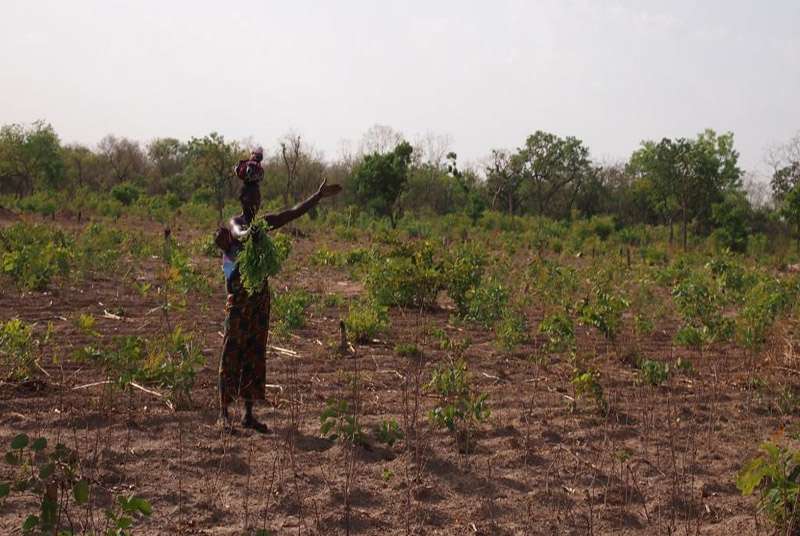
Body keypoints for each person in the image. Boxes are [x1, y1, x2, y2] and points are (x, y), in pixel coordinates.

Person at [217, 156, 341, 432]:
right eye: (250, 196)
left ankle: (248, 413)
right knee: (232, 351)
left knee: (254, 351)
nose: (254, 201)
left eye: (257, 197)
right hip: (239, 299)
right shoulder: (237, 223)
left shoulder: (264, 223)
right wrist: (253, 231)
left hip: (260, 299)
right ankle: (223, 412)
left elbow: (292, 212)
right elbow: (240, 233)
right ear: (242, 198)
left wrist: (316, 197)